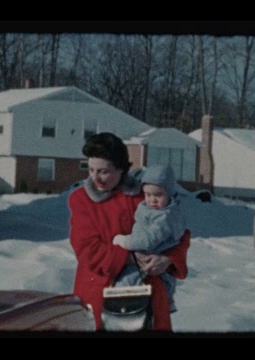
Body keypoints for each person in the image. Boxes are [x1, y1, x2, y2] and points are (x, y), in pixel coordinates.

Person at [68, 132, 190, 331]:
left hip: (149, 294)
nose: (95, 178)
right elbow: (87, 249)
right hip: (101, 294)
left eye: (104, 171)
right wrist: (130, 257)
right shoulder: (81, 200)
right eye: (91, 170)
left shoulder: (148, 195)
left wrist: (167, 258)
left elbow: (177, 232)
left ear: (122, 169)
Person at [112, 164, 186, 313]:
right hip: (148, 259)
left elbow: (147, 240)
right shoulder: (154, 208)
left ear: (170, 193)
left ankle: (124, 308)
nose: (152, 200)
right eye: (148, 194)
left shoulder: (165, 216)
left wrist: (123, 240)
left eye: (158, 195)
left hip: (151, 259)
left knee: (126, 282)